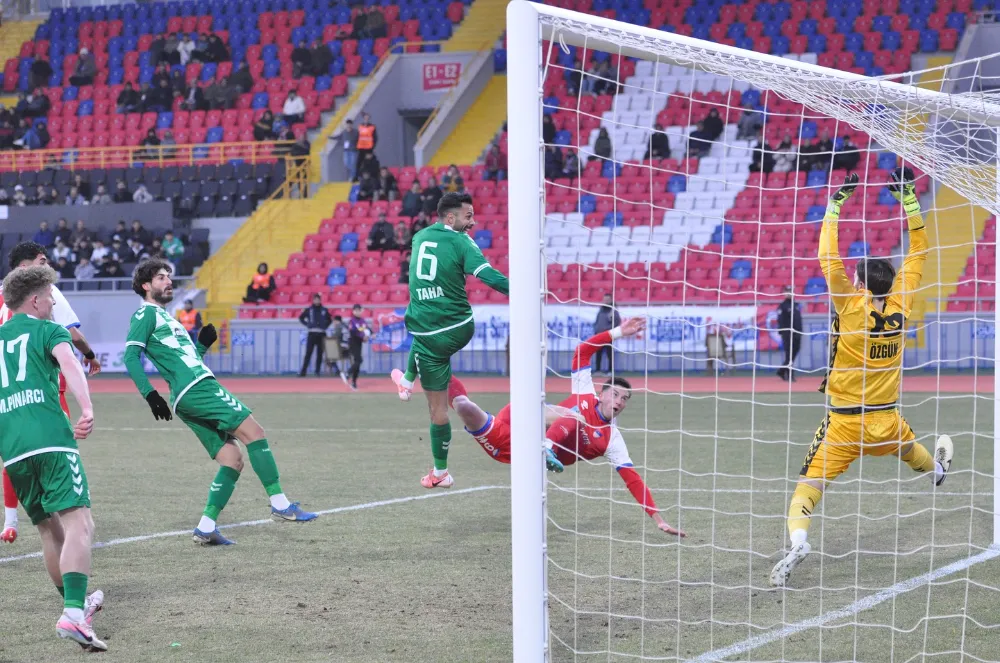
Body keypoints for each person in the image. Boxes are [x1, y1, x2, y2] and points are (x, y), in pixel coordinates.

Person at [770, 169, 954, 587]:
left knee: (807, 490)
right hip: (886, 420)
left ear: (858, 283)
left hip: (844, 423)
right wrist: (910, 200)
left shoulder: (851, 305)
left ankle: (798, 541)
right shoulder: (902, 302)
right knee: (909, 450)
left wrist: (835, 204)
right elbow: (920, 251)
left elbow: (827, 257)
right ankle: (938, 474)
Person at [125, 260, 317, 546]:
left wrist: (201, 346)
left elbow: (183, 360)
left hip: (186, 393)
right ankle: (280, 504)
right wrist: (150, 394)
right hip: (198, 387)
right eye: (161, 277)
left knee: (232, 460)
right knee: (255, 433)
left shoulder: (167, 317)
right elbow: (130, 356)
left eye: (169, 277)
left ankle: (206, 528)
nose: (168, 281)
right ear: (145, 285)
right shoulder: (145, 314)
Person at [447, 318, 686, 536]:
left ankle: (435, 370)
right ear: (602, 393)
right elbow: (583, 351)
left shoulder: (612, 440)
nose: (619, 402)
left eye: (624, 399)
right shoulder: (585, 392)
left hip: (513, 448)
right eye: (615, 394)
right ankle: (546, 447)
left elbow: (633, 480)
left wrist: (658, 519)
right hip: (523, 419)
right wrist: (617, 332)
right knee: (564, 411)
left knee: (463, 406)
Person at [0, 265, 108, 650]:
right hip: (50, 439)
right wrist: (87, 408)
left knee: (49, 529)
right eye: (49, 297)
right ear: (34, 300)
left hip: (13, 449)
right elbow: (70, 364)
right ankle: (74, 615)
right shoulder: (48, 330)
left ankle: (75, 605)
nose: (52, 303)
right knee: (80, 521)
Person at [389, 192, 509, 488]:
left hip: (436, 330)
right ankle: (407, 381)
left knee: (437, 410)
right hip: (457, 326)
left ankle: (440, 473)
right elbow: (487, 275)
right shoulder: (462, 242)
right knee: (421, 334)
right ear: (451, 217)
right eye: (468, 216)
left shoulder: (419, 237)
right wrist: (521, 290)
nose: (473, 222)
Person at [0, 242, 102, 545]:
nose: (47, 267)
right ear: (24, 268)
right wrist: (90, 355)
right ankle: (65, 514)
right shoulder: (46, 292)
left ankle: (11, 520)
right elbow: (70, 335)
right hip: (42, 389)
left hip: (7, 394)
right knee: (57, 456)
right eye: (42, 261)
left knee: (14, 455)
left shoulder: (5, 296)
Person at [298, 294, 331, 377]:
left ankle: (317, 371)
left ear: (320, 300)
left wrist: (325, 326)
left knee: (320, 354)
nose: (316, 301)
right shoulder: (309, 309)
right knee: (308, 353)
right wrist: (307, 324)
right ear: (313, 300)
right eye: (315, 299)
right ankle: (303, 372)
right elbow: (301, 318)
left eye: (318, 299)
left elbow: (329, 320)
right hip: (312, 333)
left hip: (321, 334)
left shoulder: (324, 310)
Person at [775, 286, 803, 381]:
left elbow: (798, 319)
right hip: (788, 333)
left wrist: (800, 331)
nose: (789, 293)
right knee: (789, 354)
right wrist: (783, 332)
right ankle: (790, 374)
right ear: (784, 293)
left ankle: (782, 370)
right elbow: (780, 320)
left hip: (797, 332)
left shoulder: (796, 305)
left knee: (795, 351)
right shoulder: (783, 306)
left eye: (790, 291)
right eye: (787, 291)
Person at [592, 293, 620, 374]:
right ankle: (598, 370)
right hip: (599, 335)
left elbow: (617, 322)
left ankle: (610, 371)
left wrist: (608, 330)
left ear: (611, 300)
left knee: (609, 353)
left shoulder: (613, 310)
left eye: (607, 300)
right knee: (598, 353)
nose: (605, 301)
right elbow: (597, 321)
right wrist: (596, 329)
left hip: (608, 335)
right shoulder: (601, 310)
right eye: (604, 300)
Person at [345, 304, 370, 390]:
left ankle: (354, 382)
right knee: (359, 360)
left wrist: (368, 336)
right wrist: (362, 336)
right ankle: (348, 373)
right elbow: (353, 332)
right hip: (353, 342)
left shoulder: (362, 321)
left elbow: (367, 329)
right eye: (356, 310)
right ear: (353, 311)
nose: (357, 312)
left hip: (359, 343)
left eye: (359, 310)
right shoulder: (352, 321)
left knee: (357, 362)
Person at [355, 113, 377, 177]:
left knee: (369, 162)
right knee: (359, 162)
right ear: (363, 119)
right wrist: (357, 145)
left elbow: (375, 138)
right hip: (361, 147)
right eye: (365, 118)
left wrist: (372, 146)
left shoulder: (372, 127)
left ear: (369, 119)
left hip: (369, 148)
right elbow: (357, 136)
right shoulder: (360, 126)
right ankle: (357, 176)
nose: (366, 119)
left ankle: (370, 176)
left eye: (367, 118)